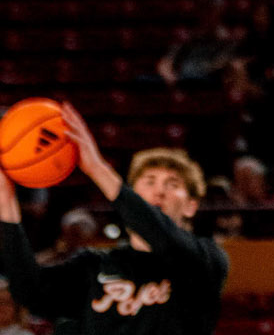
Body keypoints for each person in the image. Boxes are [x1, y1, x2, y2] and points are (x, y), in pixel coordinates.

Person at [0, 109, 226, 334]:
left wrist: (97, 168)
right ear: (133, 195)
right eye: (149, 181)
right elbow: (29, 291)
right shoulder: (93, 266)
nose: (159, 191)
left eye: (172, 184)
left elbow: (164, 237)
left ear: (190, 206)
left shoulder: (205, 260)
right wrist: (6, 204)